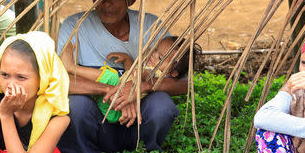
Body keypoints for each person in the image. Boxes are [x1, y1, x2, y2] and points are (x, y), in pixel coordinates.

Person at [56, 0, 188, 153]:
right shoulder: (74, 26)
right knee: (75, 106)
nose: (106, 2)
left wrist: (140, 88)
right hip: (99, 121)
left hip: (136, 120)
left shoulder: (150, 26)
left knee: (162, 105)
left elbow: (184, 83)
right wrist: (111, 89)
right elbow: (59, 81)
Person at [61, 35, 200, 123]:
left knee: (111, 77)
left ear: (173, 73)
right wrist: (128, 60)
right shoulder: (152, 70)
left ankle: (71, 67)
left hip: (115, 109)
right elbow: (131, 73)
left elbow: (138, 74)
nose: (154, 54)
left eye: (161, 57)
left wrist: (137, 80)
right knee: (113, 78)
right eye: (156, 49)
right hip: (114, 103)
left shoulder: (156, 74)